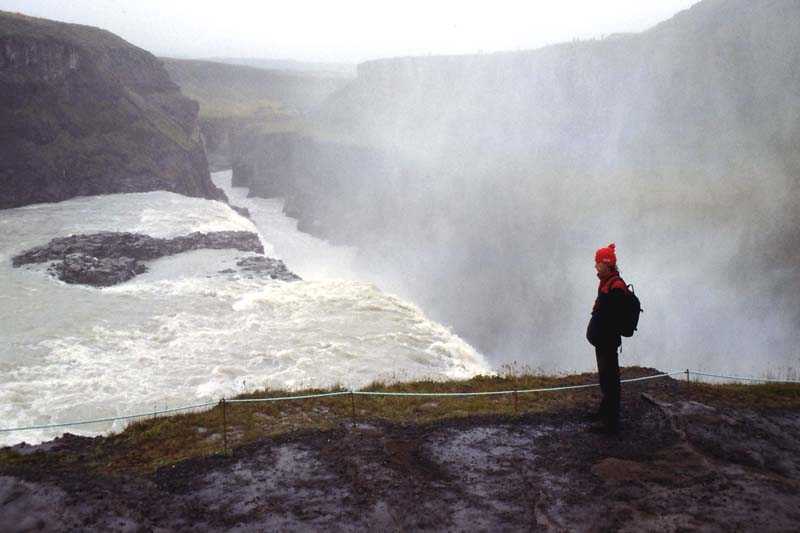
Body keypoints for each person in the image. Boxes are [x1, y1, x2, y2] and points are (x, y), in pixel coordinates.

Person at [586, 243, 627, 435]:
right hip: (602, 340)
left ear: (605, 263)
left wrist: (603, 330)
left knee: (610, 379)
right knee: (605, 378)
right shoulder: (606, 281)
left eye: (597, 262)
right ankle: (605, 413)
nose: (595, 265)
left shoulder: (616, 285)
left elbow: (615, 315)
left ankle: (610, 421)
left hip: (607, 341)